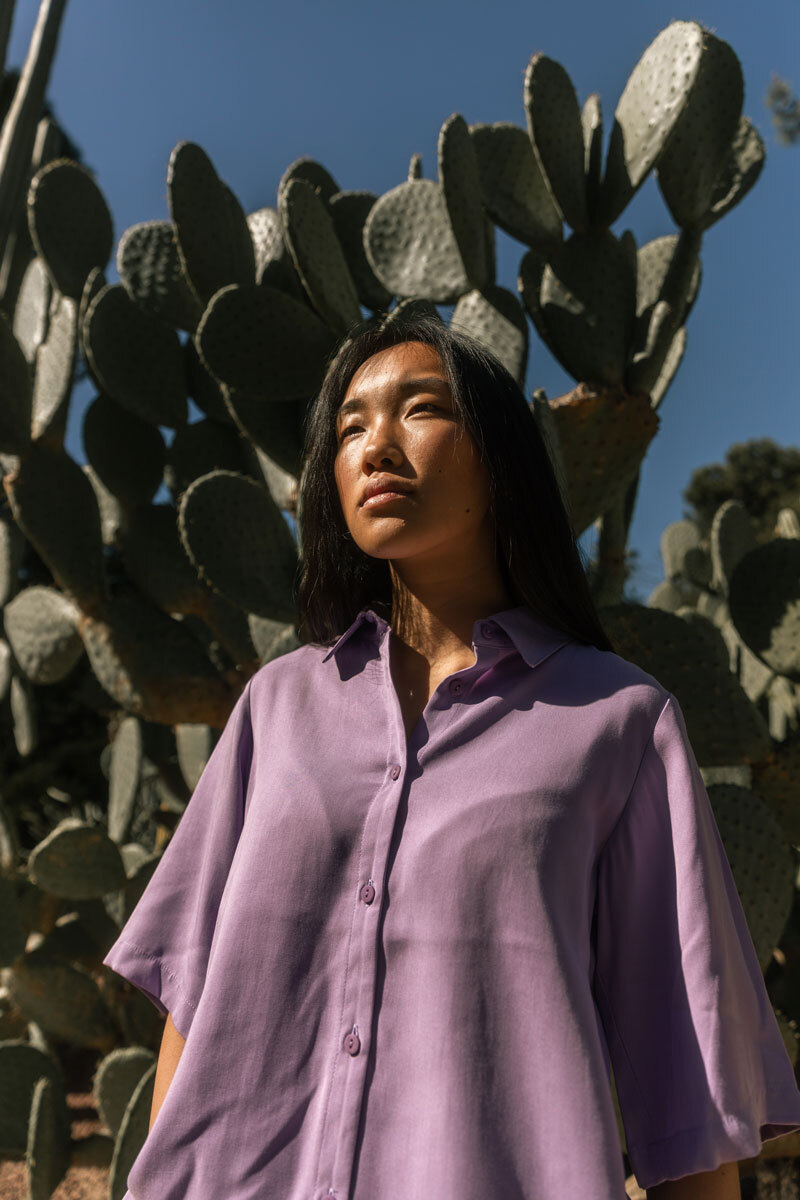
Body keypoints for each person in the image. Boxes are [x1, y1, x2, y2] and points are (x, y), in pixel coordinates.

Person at [103, 314, 800, 1200]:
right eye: (350, 427)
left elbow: (689, 1102)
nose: (375, 446)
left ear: (499, 460)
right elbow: (192, 1015)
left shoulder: (619, 724)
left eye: (419, 410)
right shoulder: (275, 708)